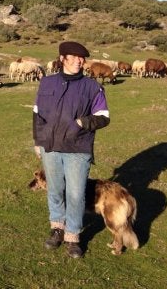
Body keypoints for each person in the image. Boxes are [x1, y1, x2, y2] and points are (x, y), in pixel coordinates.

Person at [33, 41, 110, 258]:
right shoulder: (47, 83)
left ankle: (73, 236)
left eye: (82, 58)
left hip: (78, 148)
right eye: (75, 57)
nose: (80, 61)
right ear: (63, 58)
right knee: (55, 190)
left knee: (75, 194)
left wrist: (81, 123)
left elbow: (104, 118)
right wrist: (38, 141)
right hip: (51, 146)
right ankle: (57, 228)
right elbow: (37, 114)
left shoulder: (92, 87)